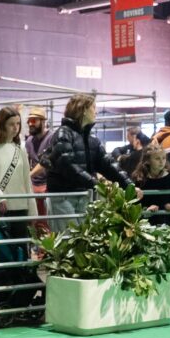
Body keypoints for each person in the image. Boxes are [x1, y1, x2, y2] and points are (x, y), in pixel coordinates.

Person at [43, 93, 138, 233]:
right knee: (67, 241)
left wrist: (129, 185)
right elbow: (68, 166)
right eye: (93, 107)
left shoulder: (91, 139)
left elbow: (108, 164)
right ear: (83, 110)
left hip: (84, 196)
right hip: (63, 197)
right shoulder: (63, 134)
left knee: (84, 242)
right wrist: (96, 183)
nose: (96, 111)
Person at [0, 106, 37, 244]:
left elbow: (26, 181)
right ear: (1, 124)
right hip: (0, 208)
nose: (16, 128)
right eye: (11, 124)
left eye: (18, 123)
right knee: (2, 252)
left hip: (21, 208)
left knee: (20, 250)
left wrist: (32, 211)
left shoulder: (20, 148)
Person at [132, 144, 170, 228]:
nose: (162, 162)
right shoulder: (140, 178)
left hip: (165, 220)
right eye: (157, 158)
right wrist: (146, 209)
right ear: (148, 160)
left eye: (164, 158)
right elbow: (135, 200)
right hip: (145, 222)